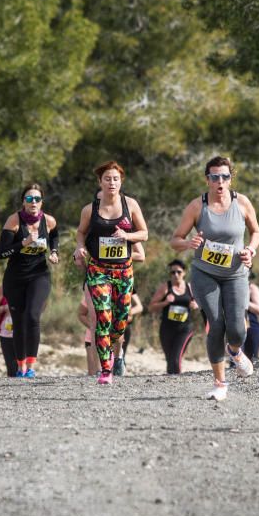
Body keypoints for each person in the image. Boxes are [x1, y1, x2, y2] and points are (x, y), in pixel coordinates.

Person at [170, 156, 259, 401]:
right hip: (205, 274)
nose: (220, 182)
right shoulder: (197, 207)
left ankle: (236, 352)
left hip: (235, 275)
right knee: (216, 323)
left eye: (225, 176)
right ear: (207, 179)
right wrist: (189, 243)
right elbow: (175, 240)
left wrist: (250, 250)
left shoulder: (241, 203)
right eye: (214, 177)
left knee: (236, 329)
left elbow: (256, 231)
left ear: (231, 178)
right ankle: (220, 384)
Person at [73, 160, 149, 385]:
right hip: (99, 270)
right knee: (103, 316)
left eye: (115, 178)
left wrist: (127, 236)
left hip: (124, 271)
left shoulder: (131, 205)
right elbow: (80, 232)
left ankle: (114, 352)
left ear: (121, 181)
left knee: (119, 323)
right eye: (107, 178)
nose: (112, 182)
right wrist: (80, 246)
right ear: (100, 182)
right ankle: (106, 369)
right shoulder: (90, 209)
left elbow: (144, 233)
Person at [0, 183, 60, 378]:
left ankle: (31, 366)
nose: (34, 203)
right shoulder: (14, 221)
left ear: (42, 202)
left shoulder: (48, 221)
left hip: (39, 275)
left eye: (37, 199)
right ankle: (20, 366)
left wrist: (54, 252)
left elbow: (55, 236)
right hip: (15, 278)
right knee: (19, 320)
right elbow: (2, 253)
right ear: (23, 202)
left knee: (33, 316)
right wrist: (22, 243)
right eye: (29, 199)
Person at [148, 259, 200, 374]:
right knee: (170, 360)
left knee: (176, 359)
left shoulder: (190, 287)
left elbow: (200, 303)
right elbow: (151, 307)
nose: (176, 275)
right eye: (173, 272)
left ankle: (177, 383)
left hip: (185, 329)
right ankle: (170, 386)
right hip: (167, 328)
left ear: (184, 273)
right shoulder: (165, 287)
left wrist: (196, 305)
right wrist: (165, 302)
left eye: (179, 272)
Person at [113, 242, 146, 376]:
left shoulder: (128, 233)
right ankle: (104, 371)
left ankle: (119, 365)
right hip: (102, 275)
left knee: (120, 347)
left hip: (125, 323)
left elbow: (139, 306)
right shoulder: (98, 229)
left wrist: (129, 312)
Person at [0, 285, 19, 377]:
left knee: (24, 369)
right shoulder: (4, 288)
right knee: (12, 370)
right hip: (7, 334)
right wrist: (6, 308)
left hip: (25, 333)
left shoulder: (32, 285)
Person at [78, 285, 102, 376]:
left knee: (111, 375)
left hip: (111, 340)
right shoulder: (91, 293)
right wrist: (93, 328)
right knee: (93, 375)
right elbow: (81, 314)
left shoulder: (117, 293)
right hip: (91, 340)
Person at [242, 273, 259, 362]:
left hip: (251, 329)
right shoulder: (228, 288)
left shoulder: (252, 288)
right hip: (234, 328)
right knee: (235, 361)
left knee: (252, 360)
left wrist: (242, 300)